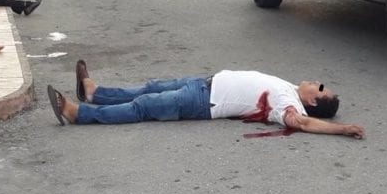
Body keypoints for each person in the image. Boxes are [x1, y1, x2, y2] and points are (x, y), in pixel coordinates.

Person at [46, 60, 365, 139]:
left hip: (202, 101)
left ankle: (79, 113)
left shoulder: (289, 105)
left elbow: (301, 123)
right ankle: (94, 92)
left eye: (321, 90)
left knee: (143, 107)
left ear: (312, 102)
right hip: (203, 83)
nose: (317, 83)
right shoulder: (292, 88)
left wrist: (341, 128)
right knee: (149, 88)